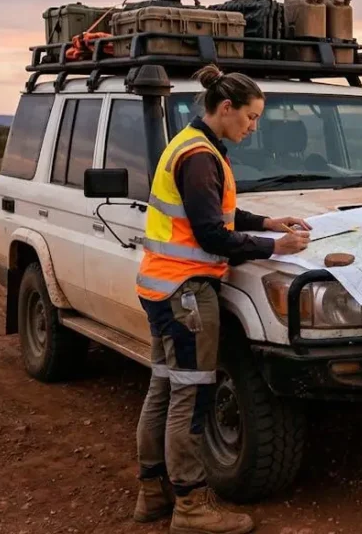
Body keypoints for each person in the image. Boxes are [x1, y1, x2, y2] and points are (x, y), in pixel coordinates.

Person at [132, 65, 310, 533]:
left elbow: (216, 213)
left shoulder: (192, 145)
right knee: (191, 396)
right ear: (226, 108)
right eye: (251, 117)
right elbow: (212, 234)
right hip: (186, 293)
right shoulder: (200, 157)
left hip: (162, 287)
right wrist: (275, 247)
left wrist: (266, 223)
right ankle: (190, 507)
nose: (254, 127)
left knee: (164, 389)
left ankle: (153, 493)